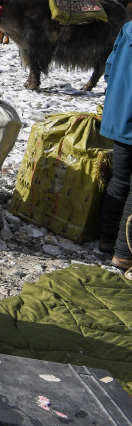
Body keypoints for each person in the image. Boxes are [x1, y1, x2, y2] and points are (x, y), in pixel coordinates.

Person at [97, 19, 132, 271]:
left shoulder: (129, 27)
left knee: (120, 180)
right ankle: (125, 253)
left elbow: (109, 67)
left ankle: (107, 241)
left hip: (121, 115)